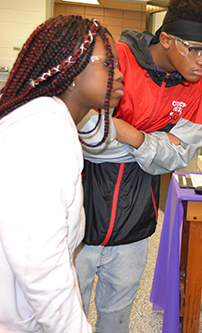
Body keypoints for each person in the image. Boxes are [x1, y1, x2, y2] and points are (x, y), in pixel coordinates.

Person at [74, 0, 202, 331]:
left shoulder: (193, 83)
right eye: (195, 49)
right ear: (167, 38)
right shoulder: (116, 58)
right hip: (80, 218)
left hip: (136, 221)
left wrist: (132, 134)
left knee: (117, 314)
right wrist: (156, 142)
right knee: (68, 313)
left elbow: (181, 155)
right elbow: (88, 137)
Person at [0, 15, 123, 332]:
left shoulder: (47, 120)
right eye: (108, 65)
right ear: (70, 71)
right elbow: (40, 265)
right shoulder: (43, 133)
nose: (120, 76)